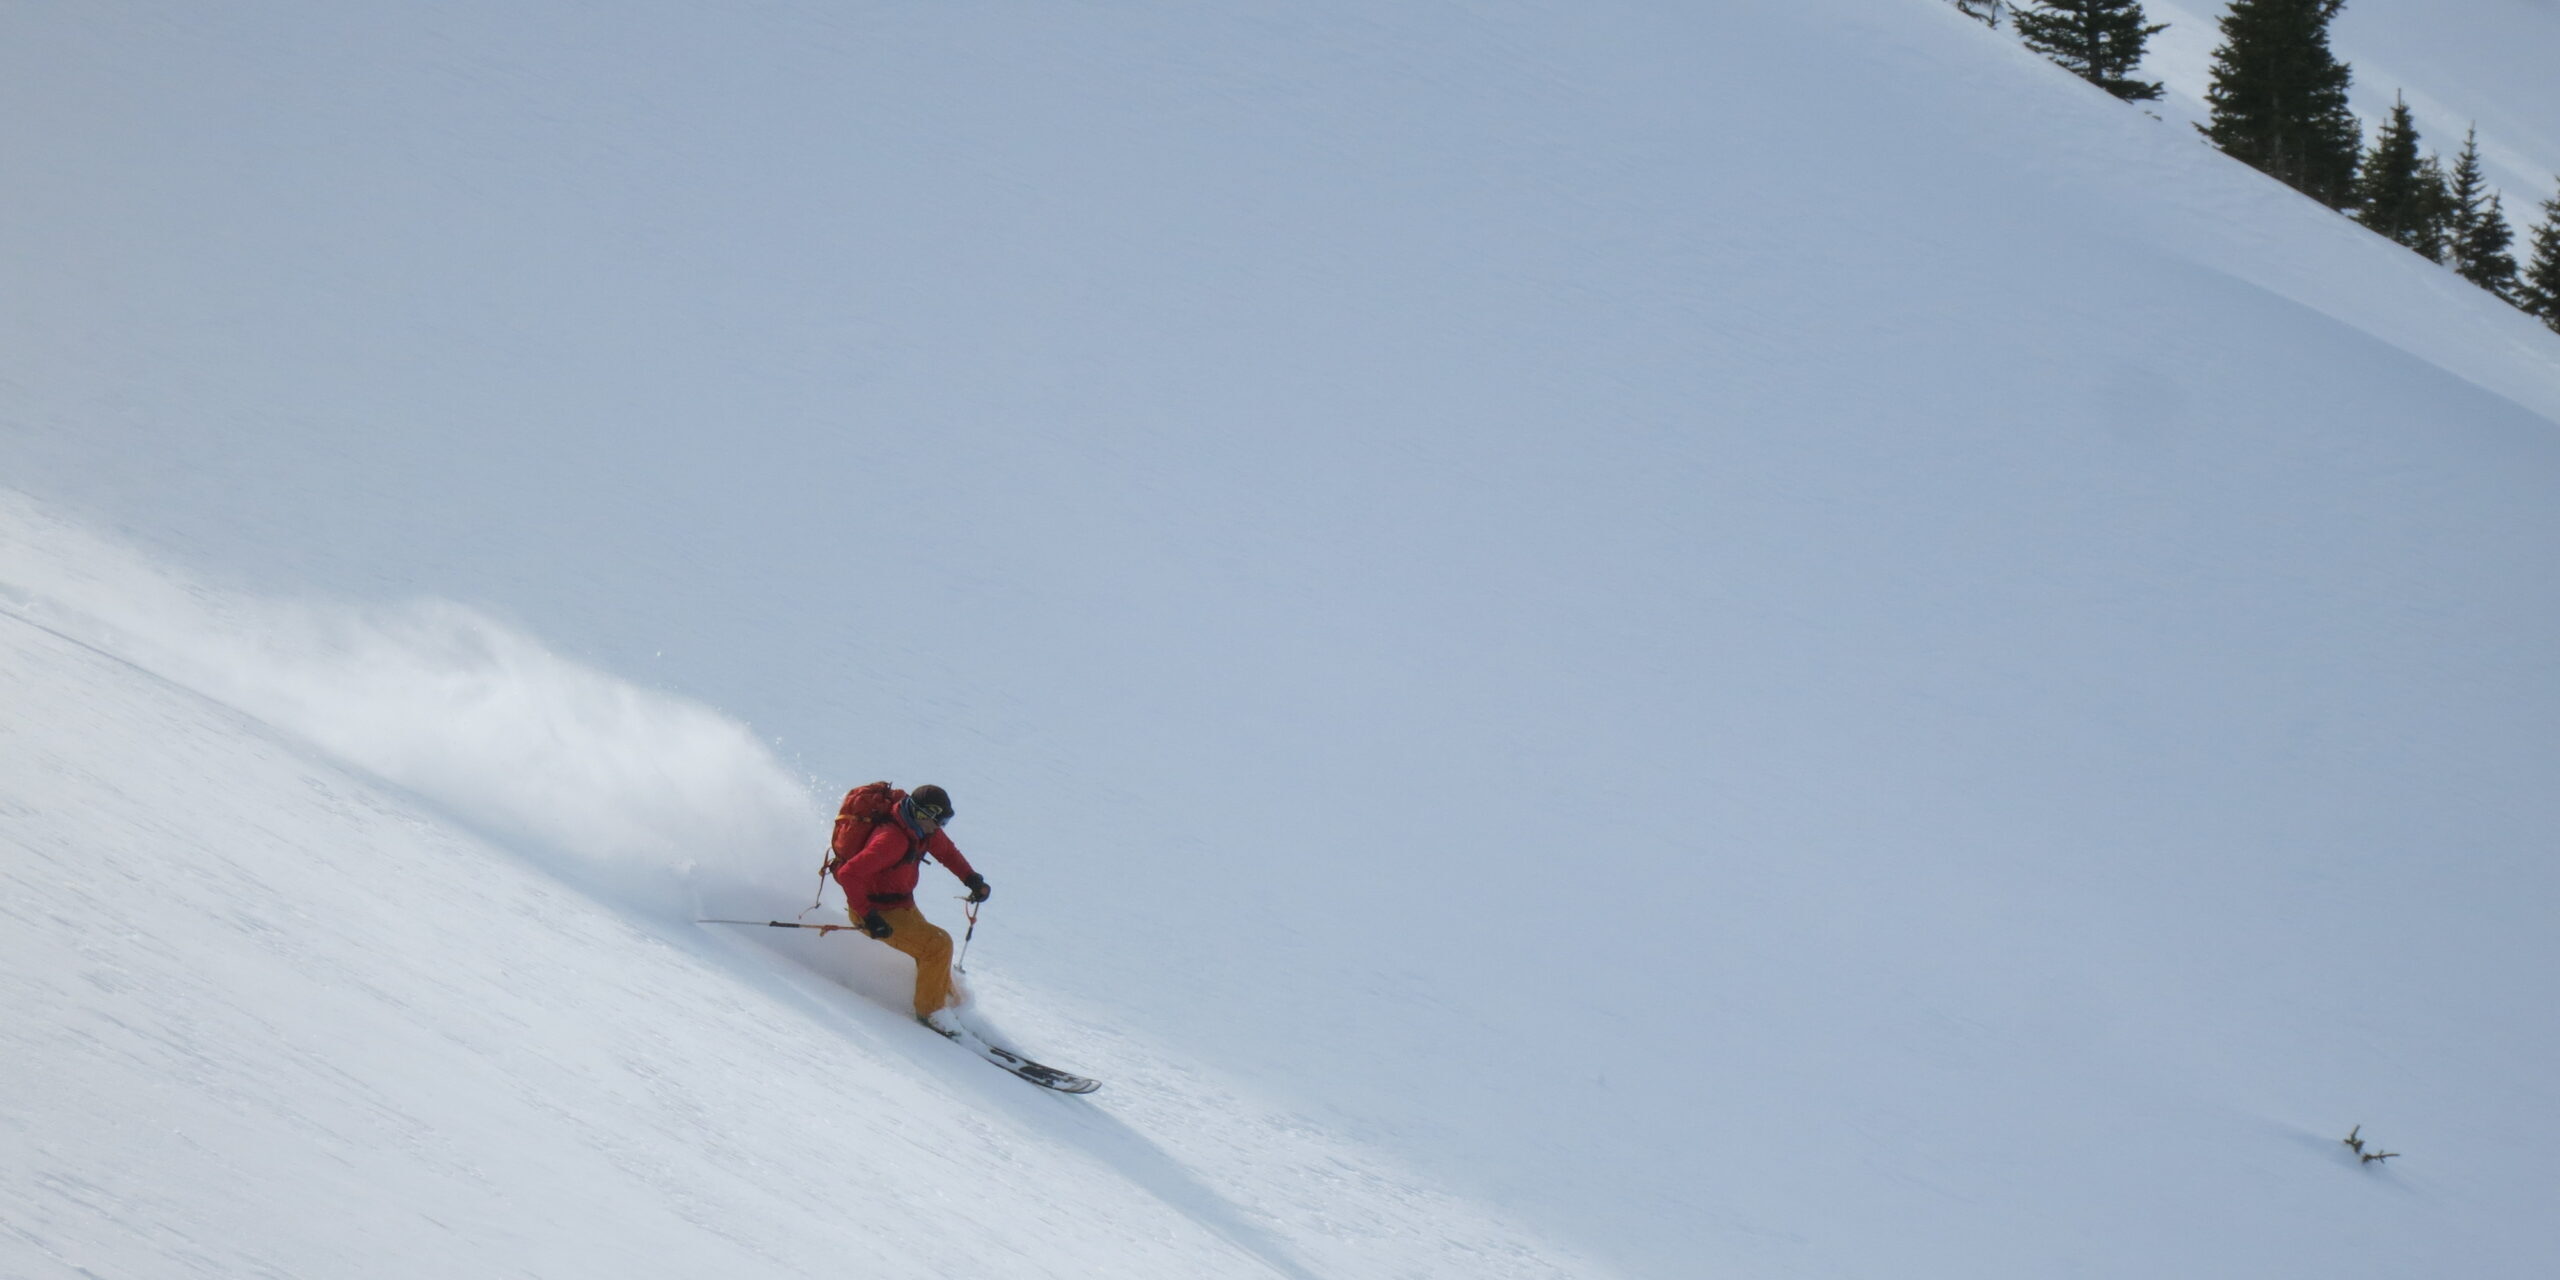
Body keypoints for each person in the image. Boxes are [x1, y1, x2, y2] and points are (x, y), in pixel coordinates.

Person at [830, 783, 990, 1030]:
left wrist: (971, 879)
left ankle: (951, 1004)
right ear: (920, 814)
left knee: (936, 946)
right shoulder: (891, 840)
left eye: (944, 823)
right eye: (938, 822)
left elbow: (947, 852)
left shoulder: (924, 830)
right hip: (877, 912)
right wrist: (867, 916)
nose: (940, 828)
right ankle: (932, 1014)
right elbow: (849, 874)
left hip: (902, 905)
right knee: (937, 945)